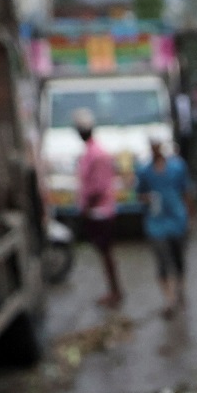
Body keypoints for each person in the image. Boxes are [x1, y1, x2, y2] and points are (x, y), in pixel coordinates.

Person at [132, 140, 193, 318]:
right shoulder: (144, 171)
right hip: (156, 223)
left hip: (177, 220)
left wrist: (190, 215)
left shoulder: (177, 167)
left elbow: (186, 191)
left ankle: (180, 289)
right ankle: (170, 298)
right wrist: (148, 199)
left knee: (179, 259)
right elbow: (139, 195)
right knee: (162, 262)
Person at [71, 109, 123, 309]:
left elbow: (98, 188)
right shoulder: (90, 153)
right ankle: (114, 290)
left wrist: (85, 207)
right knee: (104, 254)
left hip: (100, 212)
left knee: (107, 254)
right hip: (96, 211)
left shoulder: (97, 154)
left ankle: (115, 291)